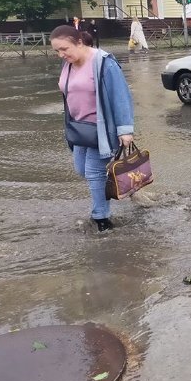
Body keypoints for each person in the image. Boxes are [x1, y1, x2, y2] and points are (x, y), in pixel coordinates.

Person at [50, 25, 135, 232]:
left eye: (64, 49)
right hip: (79, 129)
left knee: (93, 172)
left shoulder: (104, 63)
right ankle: (123, 182)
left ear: (79, 42)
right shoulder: (69, 64)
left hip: (102, 130)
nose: (61, 55)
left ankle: (102, 219)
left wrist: (125, 129)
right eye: (56, 51)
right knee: (82, 170)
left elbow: (121, 95)